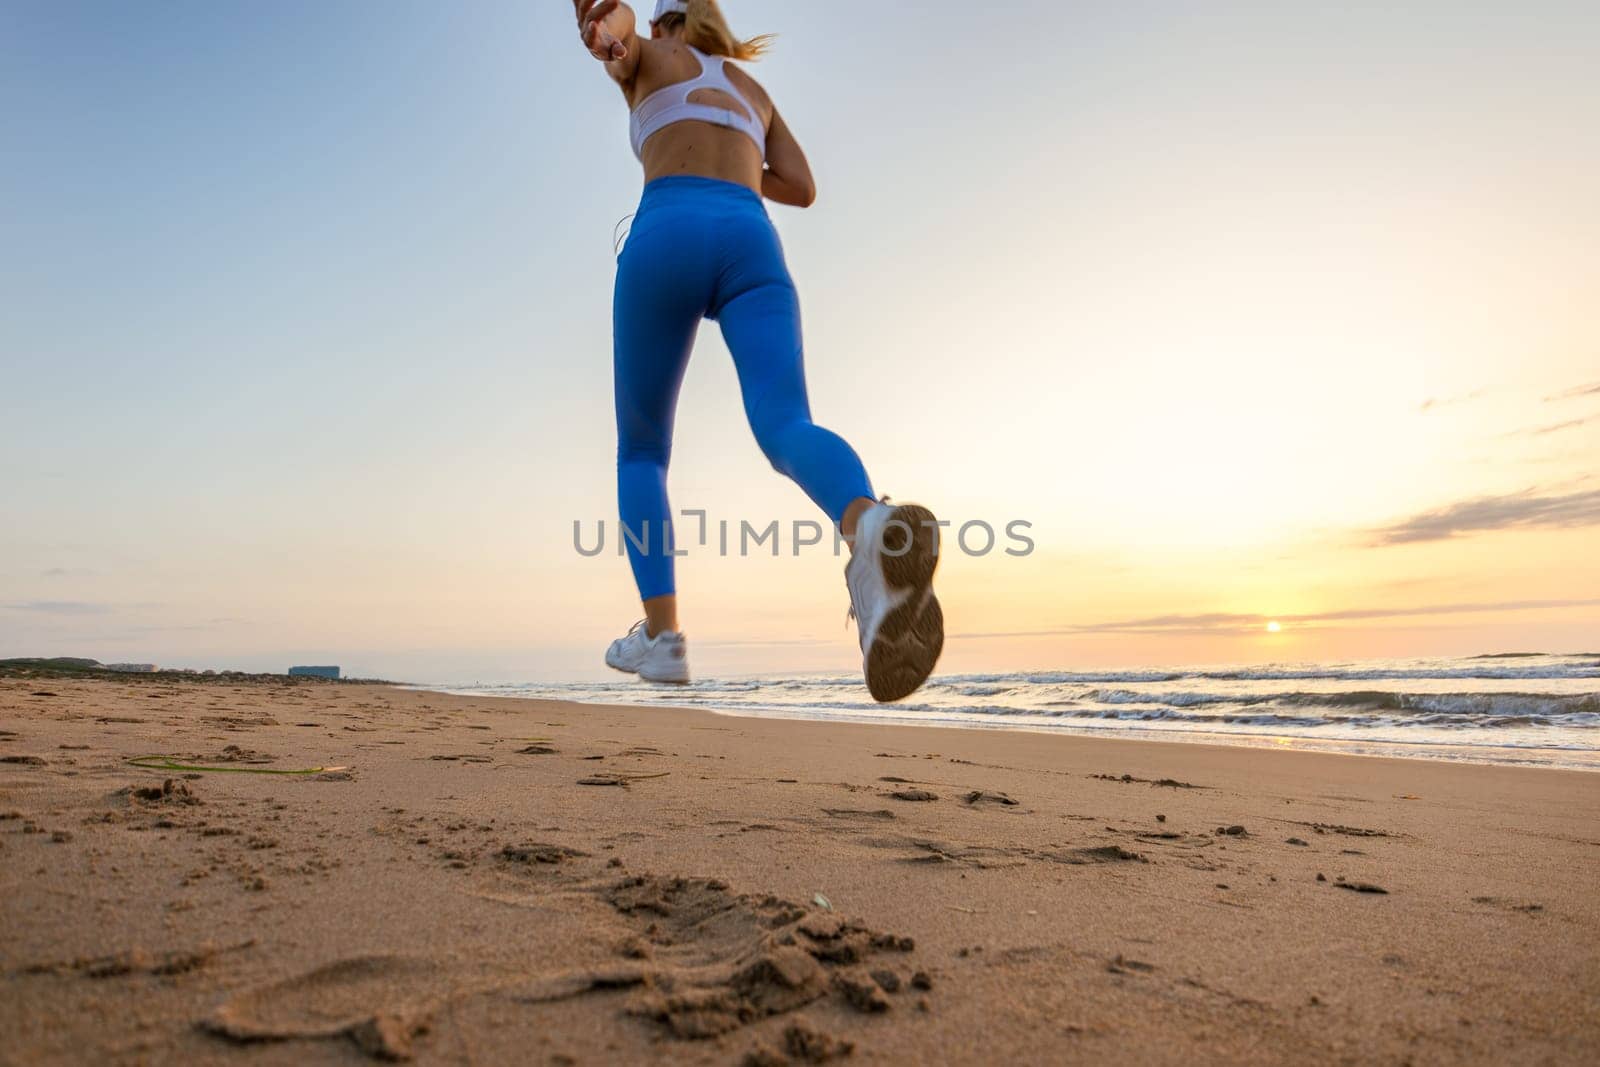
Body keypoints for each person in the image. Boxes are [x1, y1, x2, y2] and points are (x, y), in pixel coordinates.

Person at [574, 0, 942, 702]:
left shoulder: (650, 57)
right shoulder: (754, 92)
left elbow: (613, 34)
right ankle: (869, 527)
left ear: (660, 23)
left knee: (642, 452)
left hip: (668, 231)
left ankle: (662, 637)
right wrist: (738, 172)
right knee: (785, 425)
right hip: (752, 242)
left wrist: (603, 34)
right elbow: (801, 187)